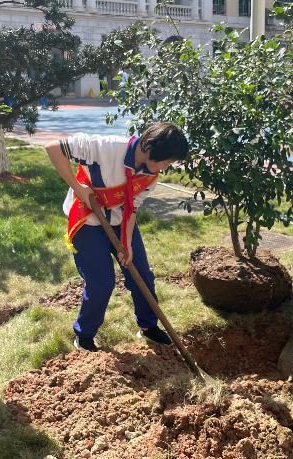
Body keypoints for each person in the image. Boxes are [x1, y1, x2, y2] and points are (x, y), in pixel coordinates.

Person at [45, 123, 189, 352]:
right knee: (102, 282)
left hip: (121, 221)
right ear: (151, 150)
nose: (165, 167)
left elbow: (132, 208)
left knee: (141, 273)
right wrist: (78, 188)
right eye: (166, 161)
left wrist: (128, 243)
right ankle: (84, 335)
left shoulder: (150, 176)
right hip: (88, 222)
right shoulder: (106, 148)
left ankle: (149, 327)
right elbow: (54, 148)